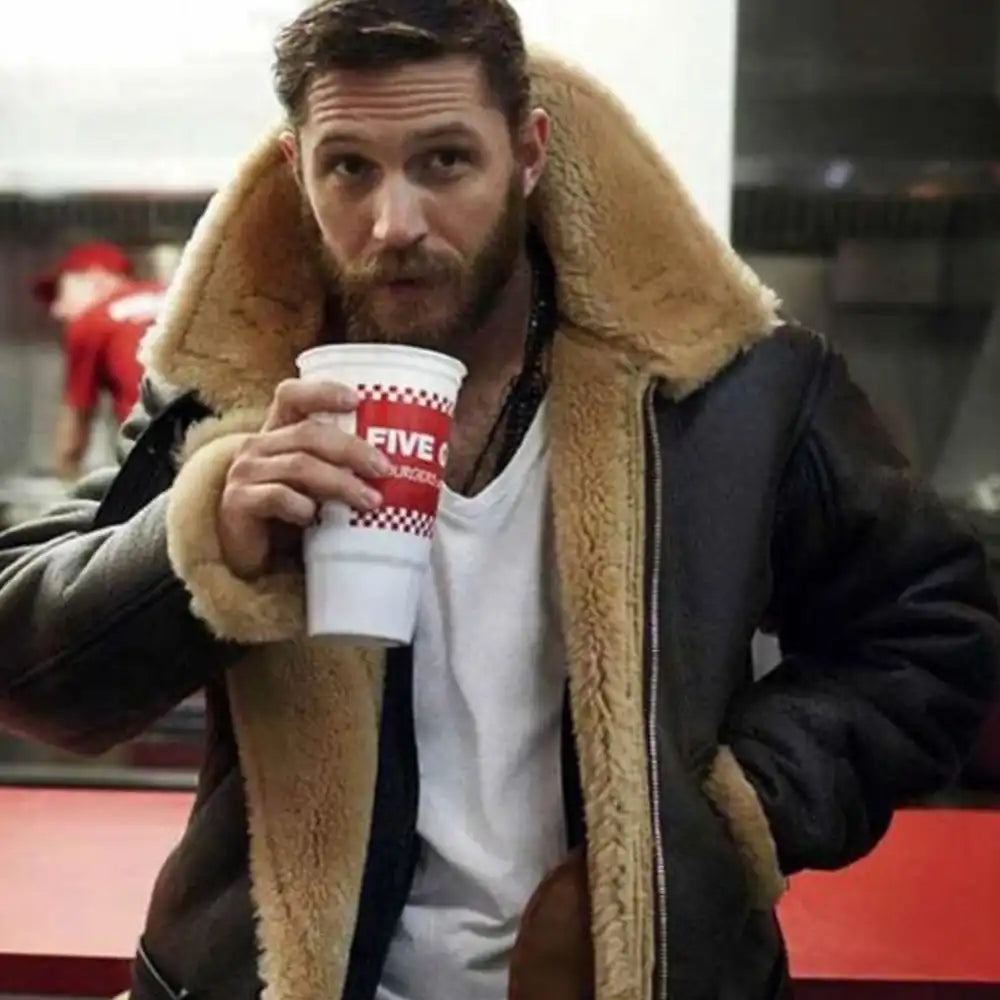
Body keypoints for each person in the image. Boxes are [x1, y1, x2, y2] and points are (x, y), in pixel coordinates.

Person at [1, 2, 998, 999]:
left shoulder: (722, 388)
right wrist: (204, 538)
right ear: (299, 169)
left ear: (527, 153)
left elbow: (934, 627)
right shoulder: (234, 389)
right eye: (349, 168)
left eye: (444, 161)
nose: (394, 223)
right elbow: (27, 663)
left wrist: (728, 820)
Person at [31, 241, 165, 479]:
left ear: (96, 278)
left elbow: (76, 423)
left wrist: (65, 481)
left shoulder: (91, 321)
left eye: (59, 293)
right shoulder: (178, 296)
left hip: (162, 453)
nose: (56, 310)